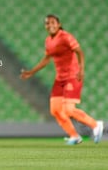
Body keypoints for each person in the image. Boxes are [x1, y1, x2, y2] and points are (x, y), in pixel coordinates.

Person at [20, 14, 103, 145]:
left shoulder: (65, 37)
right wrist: (31, 72)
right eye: (47, 23)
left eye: (53, 22)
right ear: (45, 26)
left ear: (58, 24)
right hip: (60, 79)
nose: (50, 25)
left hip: (72, 76)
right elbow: (46, 59)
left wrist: (81, 69)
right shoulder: (48, 41)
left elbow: (79, 52)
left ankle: (95, 124)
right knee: (55, 110)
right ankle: (74, 136)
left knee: (69, 110)